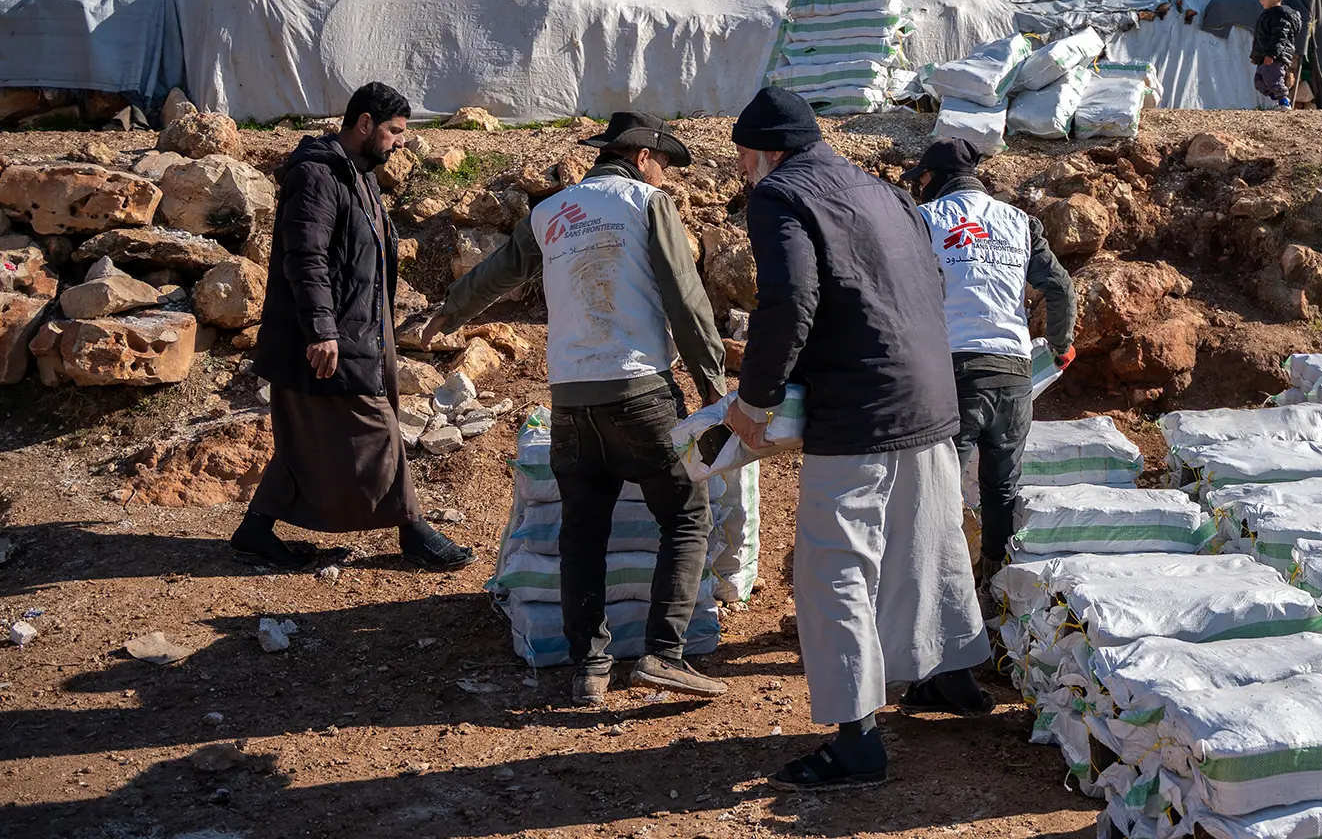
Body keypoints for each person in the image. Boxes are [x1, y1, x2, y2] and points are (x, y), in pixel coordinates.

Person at [723, 88, 991, 792]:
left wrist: (757, 399)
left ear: (767, 152)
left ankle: (856, 742)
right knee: (927, 544)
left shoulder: (780, 196)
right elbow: (930, 283)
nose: (746, 171)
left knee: (835, 567)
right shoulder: (885, 192)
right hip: (929, 395)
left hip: (859, 411)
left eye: (746, 158)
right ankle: (953, 681)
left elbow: (790, 302)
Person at [423, 112, 730, 707]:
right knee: (687, 514)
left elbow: (494, 275)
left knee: (582, 532)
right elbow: (685, 302)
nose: (664, 178)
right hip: (641, 393)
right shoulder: (646, 203)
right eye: (663, 165)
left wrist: (452, 311)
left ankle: (588, 667)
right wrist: (714, 388)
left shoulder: (549, 213)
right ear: (643, 157)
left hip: (569, 400)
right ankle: (664, 655)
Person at [236, 81, 473, 572]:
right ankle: (413, 530)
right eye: (394, 131)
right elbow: (306, 258)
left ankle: (256, 530)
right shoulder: (318, 177)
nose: (400, 141)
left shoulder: (357, 175)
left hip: (362, 333)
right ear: (364, 123)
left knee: (307, 439)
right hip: (327, 338)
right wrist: (322, 329)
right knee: (379, 430)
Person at [902, 138, 1076, 581]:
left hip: (953, 373)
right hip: (1014, 372)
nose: (918, 187)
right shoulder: (1020, 222)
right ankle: (992, 585)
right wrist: (1059, 344)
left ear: (934, 178)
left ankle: (935, 591)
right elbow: (1058, 289)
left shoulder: (923, 220)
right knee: (1000, 488)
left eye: (920, 178)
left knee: (938, 490)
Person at [1251, 0, 1304, 108]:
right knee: (1259, 81)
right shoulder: (1267, 15)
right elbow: (1261, 37)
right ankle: (1278, 100)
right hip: (1264, 56)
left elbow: (1279, 37)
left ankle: (1284, 102)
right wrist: (1256, 55)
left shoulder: (1280, 17)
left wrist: (1272, 54)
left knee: (1274, 79)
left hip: (1275, 56)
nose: (1260, 0)